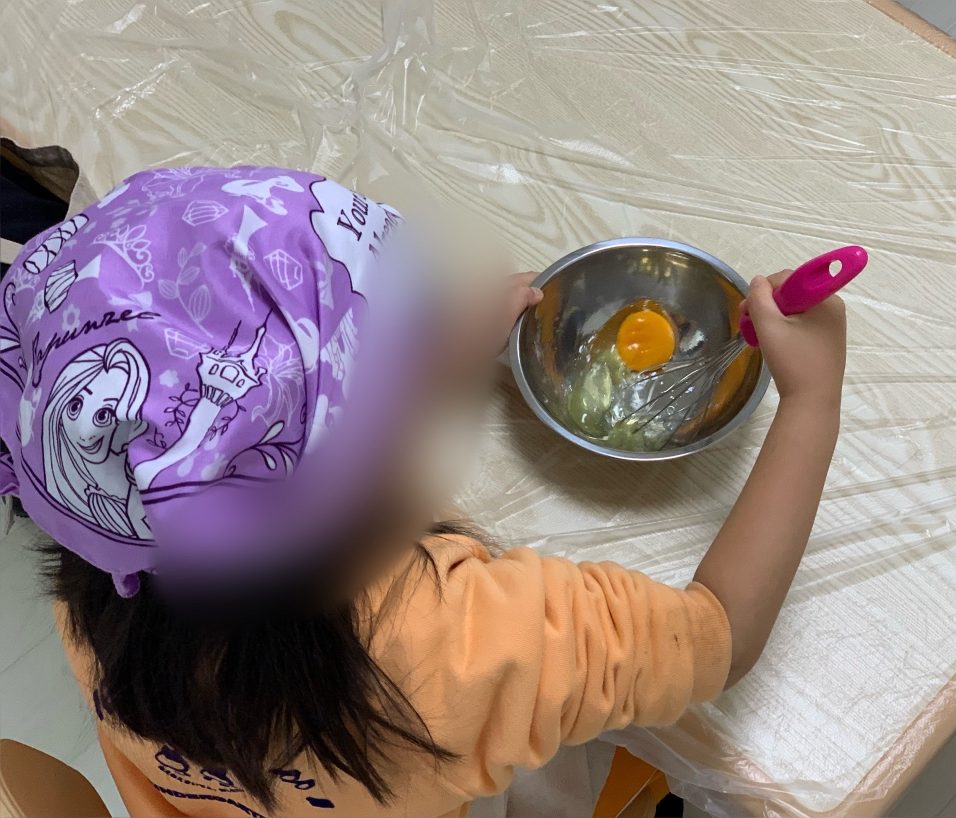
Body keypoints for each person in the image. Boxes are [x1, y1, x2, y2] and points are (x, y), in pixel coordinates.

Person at [0, 166, 846, 818]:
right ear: (348, 478)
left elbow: (233, 448)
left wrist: (418, 359)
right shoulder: (460, 644)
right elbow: (722, 634)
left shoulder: (101, 572)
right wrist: (812, 402)